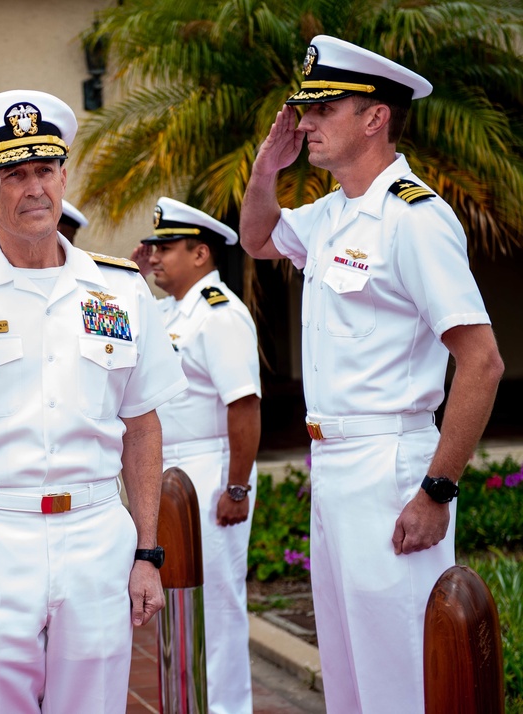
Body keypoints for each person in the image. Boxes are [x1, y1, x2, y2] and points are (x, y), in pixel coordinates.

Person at [0, 89, 186, 713]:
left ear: (64, 175)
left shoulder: (121, 290)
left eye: (44, 170)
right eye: (12, 175)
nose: (34, 188)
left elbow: (142, 424)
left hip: (96, 535)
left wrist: (148, 552)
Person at [239, 35, 504, 713]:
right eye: (305, 110)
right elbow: (258, 238)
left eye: (323, 109)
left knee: (407, 672)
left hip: (391, 465)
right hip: (333, 462)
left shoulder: (413, 220)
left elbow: (482, 361)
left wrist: (437, 489)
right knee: (353, 676)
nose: (305, 123)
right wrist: (266, 170)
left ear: (375, 117)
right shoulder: (331, 215)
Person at [132, 197, 261, 714]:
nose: (154, 255)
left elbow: (244, 405)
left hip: (209, 472)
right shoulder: (169, 311)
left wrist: (237, 486)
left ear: (201, 253)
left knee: (217, 606)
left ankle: (227, 709)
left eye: (166, 247)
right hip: (169, 473)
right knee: (178, 602)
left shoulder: (220, 316)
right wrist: (139, 277)